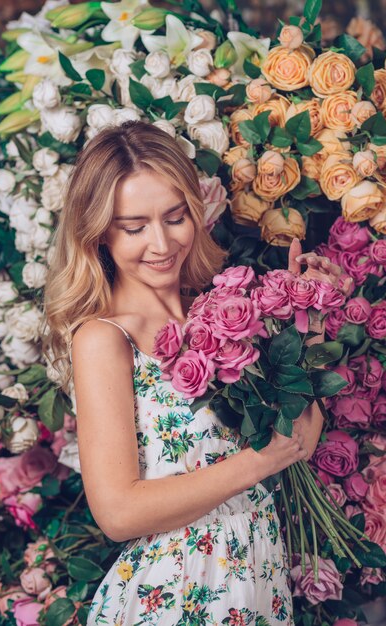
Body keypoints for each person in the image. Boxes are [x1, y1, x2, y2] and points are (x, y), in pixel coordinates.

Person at [43, 120, 350, 626]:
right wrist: (256, 464)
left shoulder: (221, 311)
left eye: (175, 217)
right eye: (134, 227)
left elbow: (300, 441)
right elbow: (118, 513)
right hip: (177, 592)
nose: (161, 243)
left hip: (255, 581)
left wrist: (307, 322)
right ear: (97, 232)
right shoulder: (104, 338)